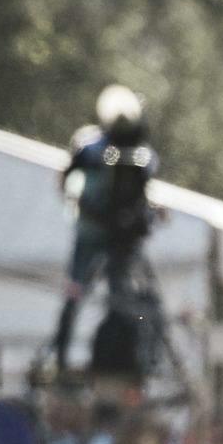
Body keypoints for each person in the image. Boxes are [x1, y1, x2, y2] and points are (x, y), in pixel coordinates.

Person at [51, 84, 161, 375]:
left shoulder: (122, 152)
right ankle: (62, 357)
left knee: (113, 297)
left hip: (112, 237)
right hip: (100, 234)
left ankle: (116, 356)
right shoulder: (95, 148)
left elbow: (64, 177)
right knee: (82, 294)